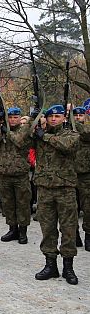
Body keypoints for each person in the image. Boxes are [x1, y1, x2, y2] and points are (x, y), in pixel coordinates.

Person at [33, 105, 80, 285]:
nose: (53, 119)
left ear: (64, 118)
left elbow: (66, 146)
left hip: (65, 189)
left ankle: (68, 267)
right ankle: (50, 264)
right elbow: (19, 141)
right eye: (50, 116)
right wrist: (34, 119)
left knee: (68, 229)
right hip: (44, 189)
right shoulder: (38, 134)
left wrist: (44, 136)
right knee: (48, 229)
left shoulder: (71, 134)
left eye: (57, 116)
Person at [0, 107, 32, 244]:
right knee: (8, 204)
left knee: (22, 204)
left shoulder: (24, 130)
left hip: (20, 174)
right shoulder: (2, 130)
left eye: (15, 117)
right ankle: (12, 229)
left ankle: (23, 231)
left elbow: (19, 141)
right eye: (10, 117)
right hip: (4, 174)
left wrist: (7, 132)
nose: (13, 120)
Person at [73, 106, 90, 251]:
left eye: (80, 115)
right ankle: (74, 235)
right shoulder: (67, 131)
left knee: (88, 207)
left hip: (85, 175)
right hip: (69, 176)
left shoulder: (86, 130)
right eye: (75, 115)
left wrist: (73, 122)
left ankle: (88, 235)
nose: (78, 117)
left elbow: (85, 134)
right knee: (71, 209)